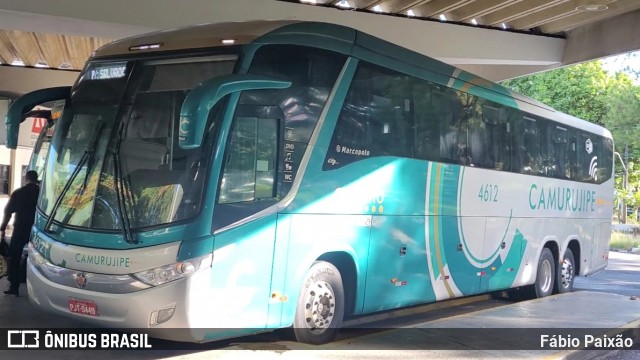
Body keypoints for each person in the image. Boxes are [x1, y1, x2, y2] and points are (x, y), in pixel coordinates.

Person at [0, 170, 40, 296]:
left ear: (26, 178)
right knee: (38, 258)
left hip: (20, 229)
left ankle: (14, 286)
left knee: (14, 256)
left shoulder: (19, 193)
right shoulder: (42, 194)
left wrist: (2, 228)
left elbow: (8, 211)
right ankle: (37, 286)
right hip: (37, 230)